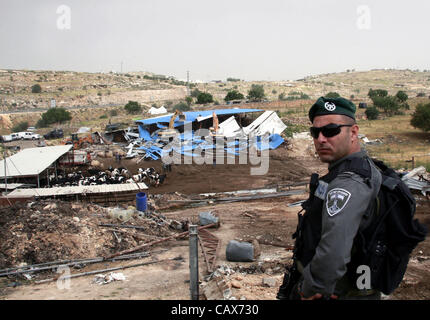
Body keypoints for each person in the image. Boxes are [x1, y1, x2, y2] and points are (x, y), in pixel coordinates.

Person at [278, 96, 383, 300]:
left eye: (331, 130)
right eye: (315, 132)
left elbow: (333, 252)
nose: (321, 139)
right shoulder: (350, 171)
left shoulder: (348, 183)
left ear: (353, 132)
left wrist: (308, 291)